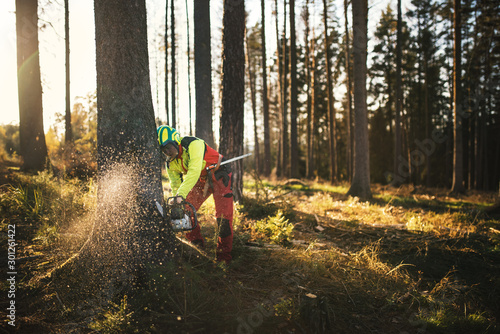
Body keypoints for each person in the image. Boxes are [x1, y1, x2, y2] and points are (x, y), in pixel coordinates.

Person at [157, 125, 234, 263]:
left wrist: (181, 194)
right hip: (201, 179)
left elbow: (193, 171)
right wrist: (177, 201)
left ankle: (224, 259)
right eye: (163, 150)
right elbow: (175, 184)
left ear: (176, 141)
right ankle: (198, 251)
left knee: (224, 218)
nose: (167, 152)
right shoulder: (170, 163)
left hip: (219, 174)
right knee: (185, 212)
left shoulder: (193, 144)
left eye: (168, 147)